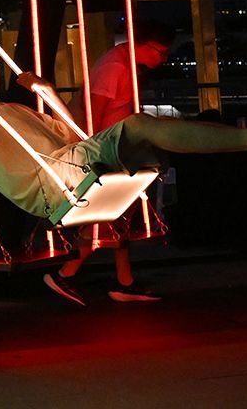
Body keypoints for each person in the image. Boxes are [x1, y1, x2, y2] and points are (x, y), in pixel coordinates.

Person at [0, 37, 247, 307]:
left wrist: (48, 92)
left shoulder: (16, 110)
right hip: (52, 185)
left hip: (71, 164)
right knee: (139, 125)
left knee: (153, 144)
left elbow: (74, 133)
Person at [74, 19, 175, 302]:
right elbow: (91, 112)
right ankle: (67, 273)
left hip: (118, 153)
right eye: (161, 52)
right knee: (109, 219)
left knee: (116, 218)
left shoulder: (123, 64)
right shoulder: (115, 67)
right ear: (143, 45)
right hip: (110, 154)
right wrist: (95, 158)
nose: (163, 58)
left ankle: (123, 280)